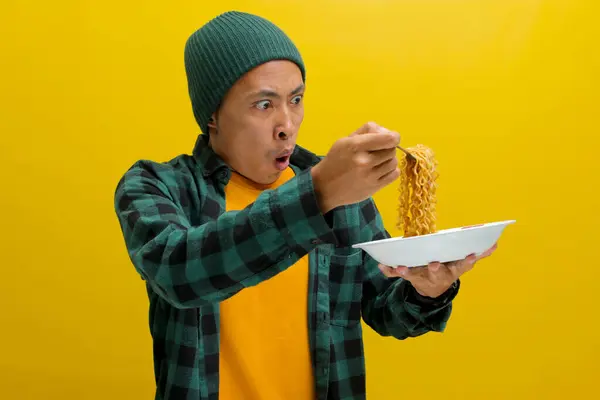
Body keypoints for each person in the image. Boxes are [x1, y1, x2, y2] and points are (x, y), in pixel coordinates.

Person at [113, 10, 497, 400]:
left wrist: (428, 289)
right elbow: (179, 274)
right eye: (263, 105)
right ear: (212, 115)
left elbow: (388, 309)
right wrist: (318, 194)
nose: (287, 124)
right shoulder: (156, 186)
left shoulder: (338, 191)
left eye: (295, 100)